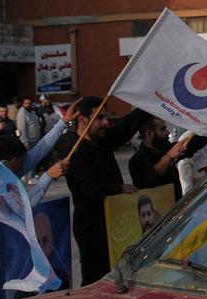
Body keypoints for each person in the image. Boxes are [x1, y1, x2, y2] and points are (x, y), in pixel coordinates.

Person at [63, 98, 151, 284]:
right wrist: (118, 188)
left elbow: (126, 127)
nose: (106, 122)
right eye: (100, 117)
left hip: (114, 224)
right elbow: (87, 189)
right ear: (83, 120)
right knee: (97, 280)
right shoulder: (74, 150)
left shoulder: (101, 140)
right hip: (92, 229)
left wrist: (151, 101)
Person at [129, 119, 207, 192]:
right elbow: (149, 182)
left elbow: (192, 145)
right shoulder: (137, 160)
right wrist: (169, 157)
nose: (168, 132)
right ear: (149, 133)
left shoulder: (164, 149)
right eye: (162, 129)